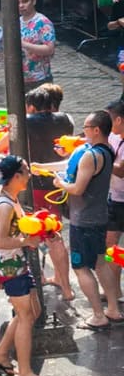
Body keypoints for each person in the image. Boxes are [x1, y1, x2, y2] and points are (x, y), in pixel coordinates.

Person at [43, 111, 124, 328]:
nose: (83, 130)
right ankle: (114, 310)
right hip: (99, 216)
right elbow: (71, 166)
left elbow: (77, 188)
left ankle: (98, 315)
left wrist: (60, 185)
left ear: (96, 130)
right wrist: (43, 168)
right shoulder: (106, 152)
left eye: (86, 127)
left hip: (84, 220)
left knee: (80, 268)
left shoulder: (90, 155)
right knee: (100, 262)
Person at [0, 155, 54, 376]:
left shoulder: (9, 197)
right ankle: (24, 373)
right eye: (26, 171)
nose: (29, 175)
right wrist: (26, 241)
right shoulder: (5, 205)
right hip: (10, 264)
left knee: (31, 312)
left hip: (17, 262)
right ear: (16, 176)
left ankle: (0, 354)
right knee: (26, 316)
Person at [21, 86, 73, 299]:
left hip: (33, 184)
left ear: (31, 106)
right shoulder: (66, 120)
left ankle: (39, 276)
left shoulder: (26, 121)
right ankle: (66, 286)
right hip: (56, 183)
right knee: (55, 234)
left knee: (31, 230)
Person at [19, 0, 55, 92]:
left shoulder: (43, 22)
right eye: (18, 2)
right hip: (20, 79)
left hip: (40, 80)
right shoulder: (15, 22)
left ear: (33, 1)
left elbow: (49, 49)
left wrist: (24, 44)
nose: (21, 6)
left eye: (25, 1)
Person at [105, 100, 124, 303]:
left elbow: (120, 170)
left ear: (118, 120)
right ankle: (114, 291)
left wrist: (103, 153)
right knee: (110, 246)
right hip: (114, 199)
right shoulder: (112, 136)